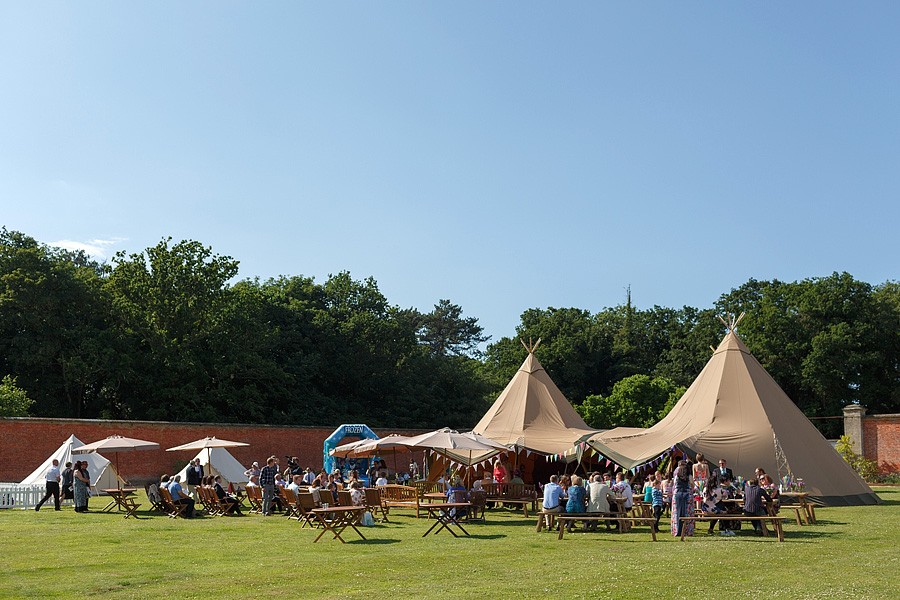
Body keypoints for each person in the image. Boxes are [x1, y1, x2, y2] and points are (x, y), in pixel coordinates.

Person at [671, 460, 694, 537]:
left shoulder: (676, 476)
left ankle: (677, 530)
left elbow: (674, 485)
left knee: (676, 513)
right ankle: (687, 531)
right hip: (687, 495)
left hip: (677, 494)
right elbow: (692, 485)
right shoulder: (689, 476)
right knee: (688, 513)